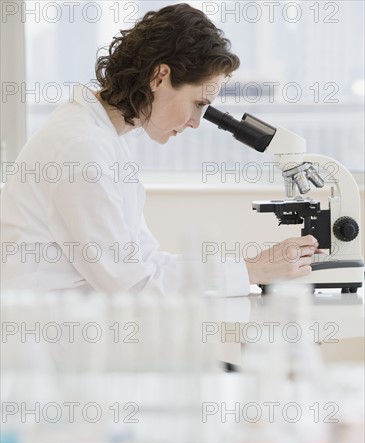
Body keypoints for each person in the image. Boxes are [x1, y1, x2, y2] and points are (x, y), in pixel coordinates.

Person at [1, 3, 318, 295]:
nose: (195, 122)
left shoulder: (103, 136)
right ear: (160, 76)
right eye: (198, 104)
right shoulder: (83, 146)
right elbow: (134, 287)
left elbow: (145, 262)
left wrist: (250, 266)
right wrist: (251, 271)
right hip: (50, 342)